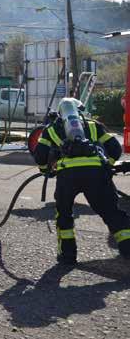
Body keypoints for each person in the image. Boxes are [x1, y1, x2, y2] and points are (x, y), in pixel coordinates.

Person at [34, 97, 130, 265]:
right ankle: (128, 248)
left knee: (64, 214)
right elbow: (115, 148)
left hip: (67, 176)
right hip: (96, 174)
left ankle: (68, 255)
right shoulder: (93, 125)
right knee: (111, 212)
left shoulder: (51, 129)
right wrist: (108, 165)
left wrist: (45, 171)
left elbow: (40, 155)